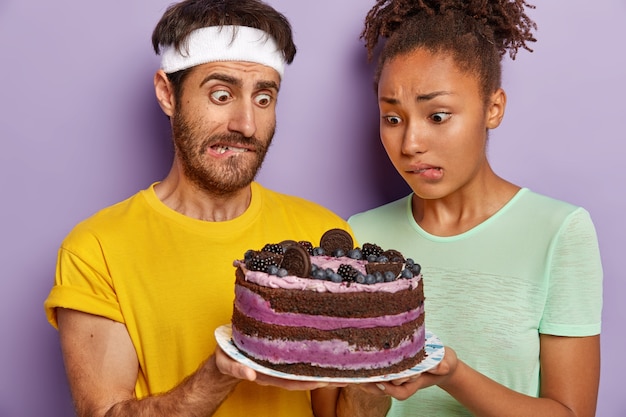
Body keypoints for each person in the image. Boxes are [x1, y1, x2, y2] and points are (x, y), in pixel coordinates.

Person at [43, 1, 352, 416]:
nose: (245, 123)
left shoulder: (321, 234)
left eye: (264, 98)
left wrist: (380, 385)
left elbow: (338, 412)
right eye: (221, 94)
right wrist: (222, 370)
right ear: (167, 93)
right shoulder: (96, 249)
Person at [312, 1, 603, 416]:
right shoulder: (359, 237)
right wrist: (371, 384)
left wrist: (453, 375)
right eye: (392, 118)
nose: (411, 143)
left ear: (493, 108)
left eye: (438, 115)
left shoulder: (559, 232)